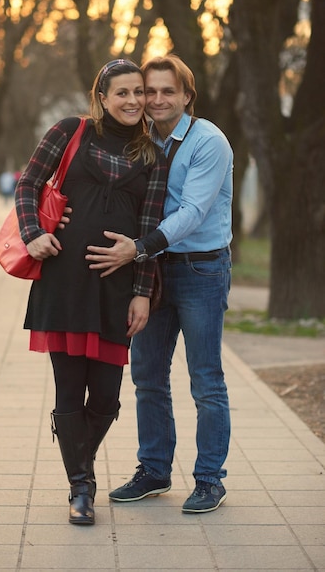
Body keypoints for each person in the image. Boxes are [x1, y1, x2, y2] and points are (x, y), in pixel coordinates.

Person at [15, 59, 167, 525]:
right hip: (65, 282)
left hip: (117, 288)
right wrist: (32, 234)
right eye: (122, 93)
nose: (133, 101)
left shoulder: (153, 154)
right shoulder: (70, 130)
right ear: (102, 98)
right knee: (69, 389)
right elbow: (28, 185)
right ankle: (81, 487)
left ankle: (76, 456)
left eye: (139, 92)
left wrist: (142, 292)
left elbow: (151, 226)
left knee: (105, 398)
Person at [85, 54, 233, 514]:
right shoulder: (142, 142)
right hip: (151, 271)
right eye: (150, 91)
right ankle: (154, 470)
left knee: (205, 380)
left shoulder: (209, 141)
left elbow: (192, 212)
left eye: (168, 91)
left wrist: (139, 247)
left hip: (200, 269)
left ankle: (209, 478)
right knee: (148, 376)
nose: (156, 99)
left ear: (187, 96)